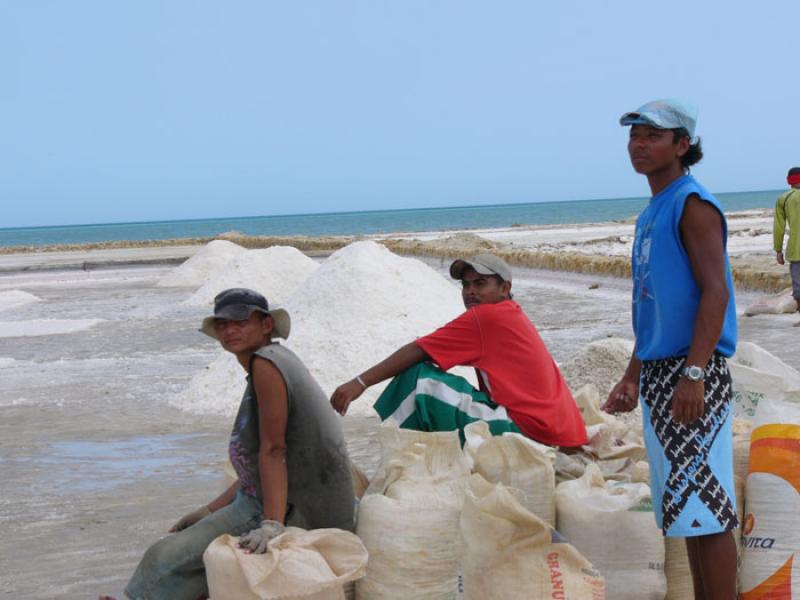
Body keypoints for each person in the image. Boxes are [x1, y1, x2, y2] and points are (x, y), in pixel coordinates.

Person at [101, 288, 354, 600]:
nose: (230, 330)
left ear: (265, 325)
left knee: (165, 557)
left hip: (292, 505)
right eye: (222, 324)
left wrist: (272, 525)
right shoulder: (274, 360)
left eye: (241, 321)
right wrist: (209, 510)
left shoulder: (266, 364)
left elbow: (274, 451)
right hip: (277, 494)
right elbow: (259, 467)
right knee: (193, 550)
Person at [603, 99, 739, 600]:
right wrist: (633, 374)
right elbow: (654, 304)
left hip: (693, 371)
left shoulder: (692, 203)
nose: (639, 145)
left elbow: (717, 292)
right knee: (685, 507)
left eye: (653, 136)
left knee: (709, 504)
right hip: (664, 371)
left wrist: (695, 374)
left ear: (682, 145)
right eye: (634, 136)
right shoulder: (652, 212)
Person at [330, 254, 588, 448]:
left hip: (532, 431)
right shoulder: (510, 313)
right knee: (434, 380)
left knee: (417, 380)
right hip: (560, 430)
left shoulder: (486, 317)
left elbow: (418, 350)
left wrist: (360, 382)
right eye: (466, 285)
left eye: (480, 283)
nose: (470, 292)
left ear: (504, 288)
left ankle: (406, 461)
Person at [773, 166, 800, 326]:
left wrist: (778, 250)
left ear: (789, 181)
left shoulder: (784, 199)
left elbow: (779, 227)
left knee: (799, 286)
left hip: (796, 250)